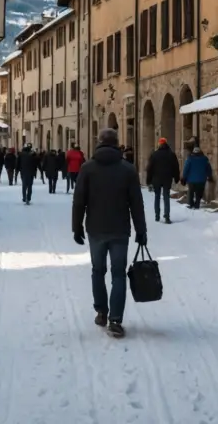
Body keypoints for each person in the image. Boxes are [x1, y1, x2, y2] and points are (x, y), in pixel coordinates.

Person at [72, 128, 147, 339]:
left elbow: (79, 200)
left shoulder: (87, 168)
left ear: (99, 142)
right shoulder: (128, 169)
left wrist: (76, 226)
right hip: (120, 229)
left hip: (95, 228)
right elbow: (136, 203)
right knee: (118, 274)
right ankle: (115, 320)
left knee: (98, 270)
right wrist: (141, 230)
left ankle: (101, 311)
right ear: (116, 143)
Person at [146, 137, 180, 224]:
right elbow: (176, 167)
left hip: (156, 178)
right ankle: (167, 216)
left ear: (159, 144)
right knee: (166, 196)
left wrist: (148, 180)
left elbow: (149, 168)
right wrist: (176, 177)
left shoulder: (154, 155)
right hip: (167, 178)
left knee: (157, 196)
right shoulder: (171, 154)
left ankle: (157, 215)